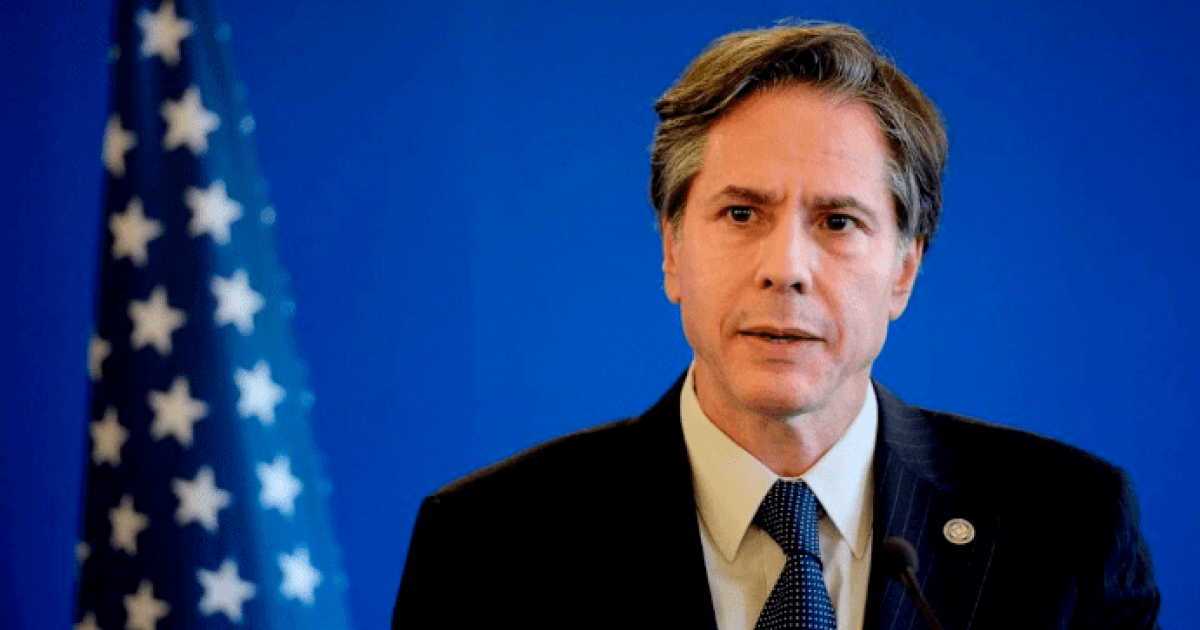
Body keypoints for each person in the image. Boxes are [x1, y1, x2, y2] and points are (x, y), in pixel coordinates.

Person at [392, 22, 1160, 630]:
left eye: (837, 221)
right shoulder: (488, 544)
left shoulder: (1071, 528)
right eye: (741, 213)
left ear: (904, 268)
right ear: (672, 249)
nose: (786, 267)